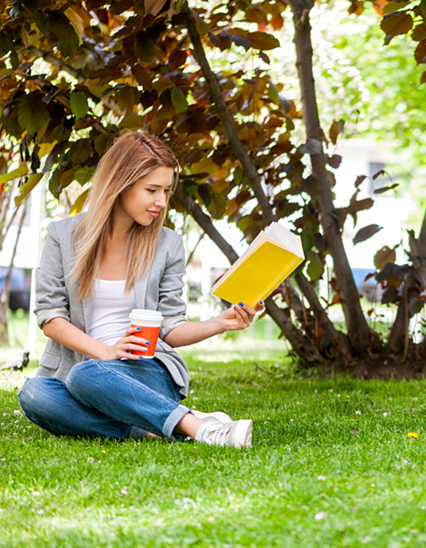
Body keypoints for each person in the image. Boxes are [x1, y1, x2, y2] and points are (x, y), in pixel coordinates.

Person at [17, 132, 261, 449]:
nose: (161, 201)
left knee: (85, 376)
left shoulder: (167, 245)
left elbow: (171, 328)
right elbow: (50, 317)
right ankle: (162, 426)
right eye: (152, 190)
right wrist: (104, 352)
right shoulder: (63, 236)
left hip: (146, 371)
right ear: (121, 183)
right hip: (83, 368)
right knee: (36, 394)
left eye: (165, 190)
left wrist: (221, 323)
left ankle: (199, 429)